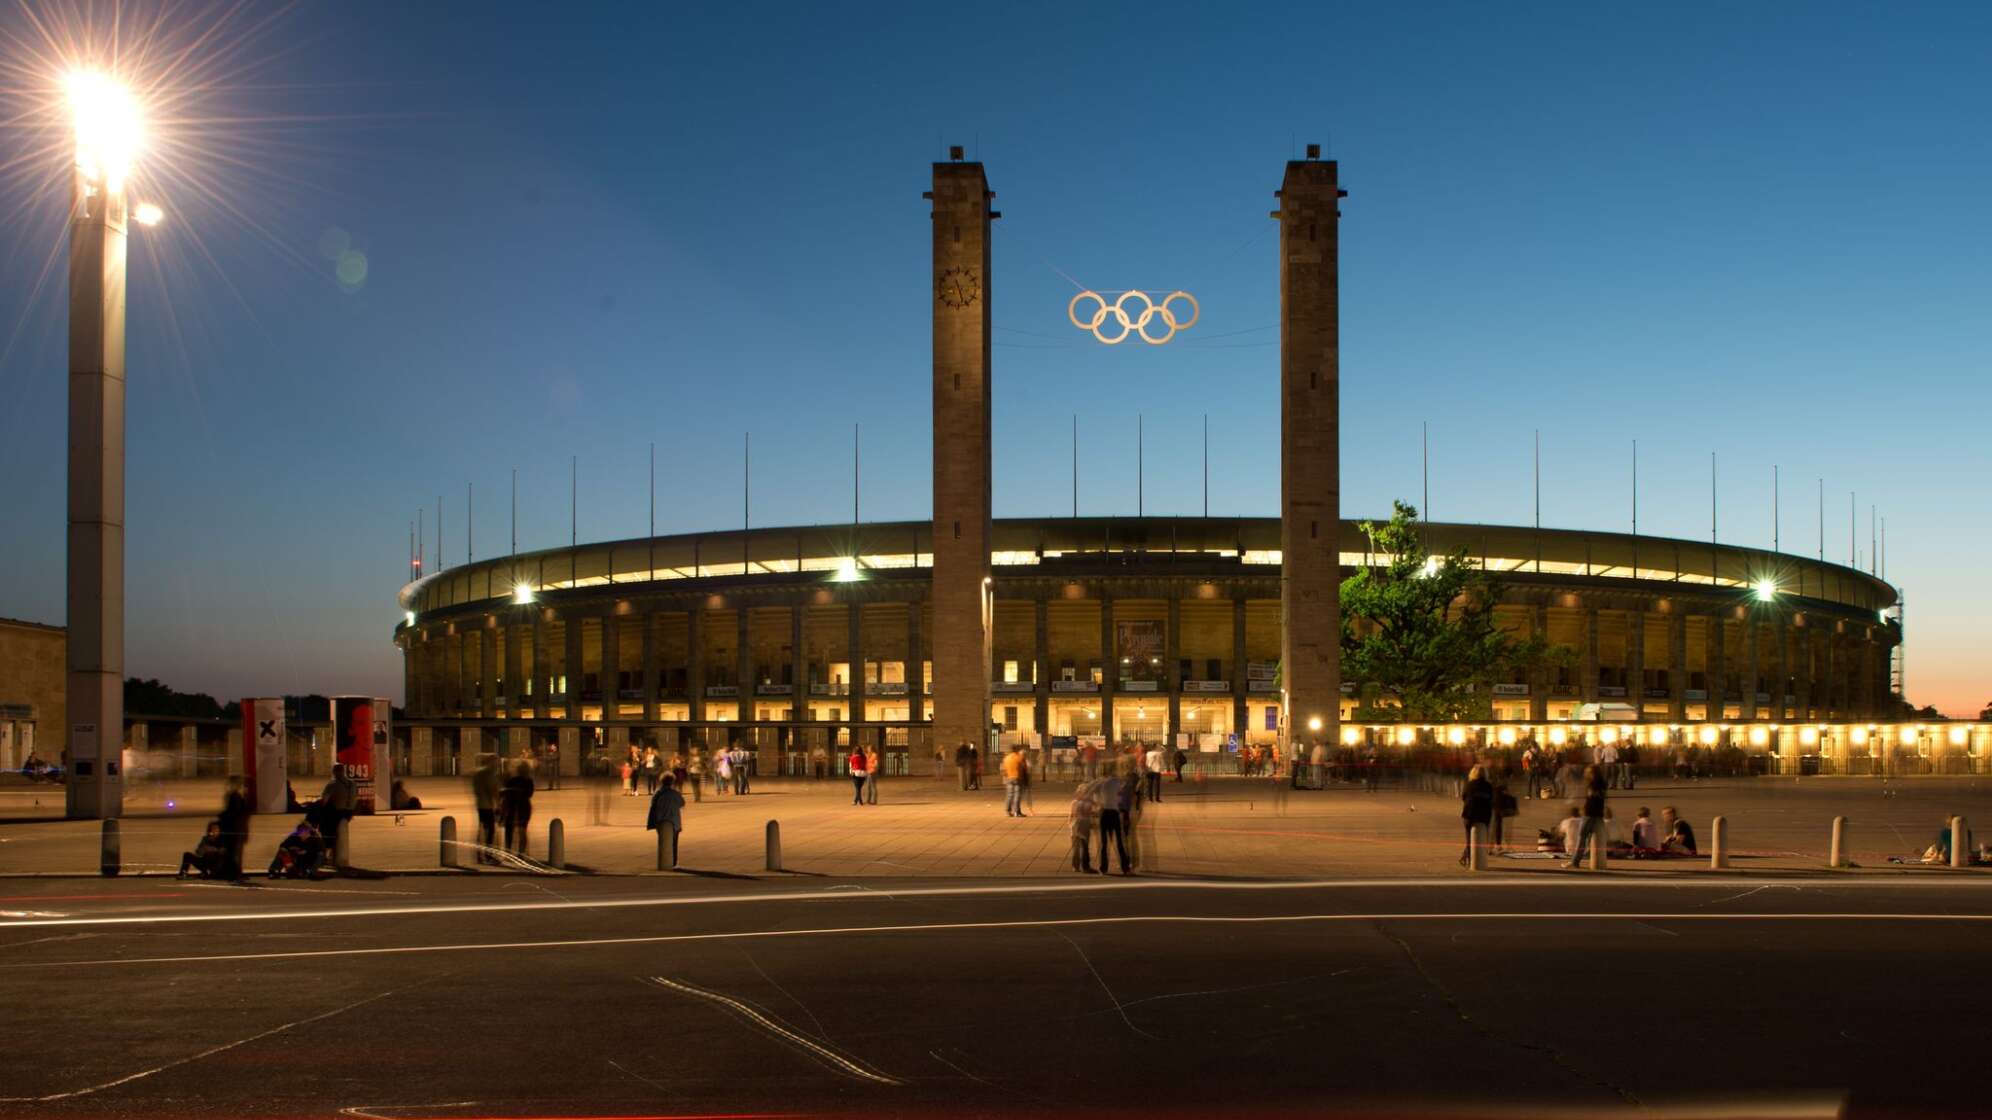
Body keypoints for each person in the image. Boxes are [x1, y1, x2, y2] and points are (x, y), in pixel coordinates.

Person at [312, 764, 357, 867]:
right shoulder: (352, 784)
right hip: (348, 813)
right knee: (337, 834)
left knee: (325, 830)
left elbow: (324, 801)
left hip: (335, 813)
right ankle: (333, 854)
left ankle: (325, 854)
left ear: (335, 772)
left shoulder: (333, 784)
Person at [1566, 766, 1608, 869]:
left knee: (1581, 838)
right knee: (1594, 838)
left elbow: (1591, 798)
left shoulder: (1592, 784)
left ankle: (1575, 861)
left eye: (1587, 772)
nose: (1586, 774)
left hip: (1589, 813)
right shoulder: (1603, 783)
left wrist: (1583, 809)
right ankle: (1594, 860)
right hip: (1598, 813)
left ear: (1592, 774)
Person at [1093, 770, 1131, 875]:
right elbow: (1123, 791)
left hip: (1104, 813)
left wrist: (1099, 802)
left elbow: (1093, 792)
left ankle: (1103, 867)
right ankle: (1125, 867)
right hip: (1114, 813)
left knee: (1104, 843)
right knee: (1119, 842)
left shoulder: (1100, 782)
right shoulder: (1117, 781)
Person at [646, 773, 686, 867]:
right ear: (672, 782)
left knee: (663, 841)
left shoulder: (657, 793)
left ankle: (665, 862)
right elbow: (682, 803)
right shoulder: (675, 793)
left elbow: (653, 805)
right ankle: (673, 862)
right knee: (674, 843)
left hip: (660, 820)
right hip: (674, 820)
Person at [217, 775, 252, 880]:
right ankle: (235, 873)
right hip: (235, 829)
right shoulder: (234, 796)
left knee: (234, 852)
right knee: (235, 852)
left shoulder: (233, 796)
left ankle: (235, 872)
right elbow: (238, 813)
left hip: (235, 829)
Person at [1459, 765, 1494, 866]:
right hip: (1484, 815)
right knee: (1482, 837)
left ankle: (1469, 858)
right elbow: (1492, 800)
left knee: (1469, 838)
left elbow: (1463, 797)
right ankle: (1472, 856)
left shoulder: (1469, 785)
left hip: (1469, 814)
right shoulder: (1488, 786)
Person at [500, 758, 535, 858]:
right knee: (522, 830)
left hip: (512, 806)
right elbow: (529, 794)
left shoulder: (512, 780)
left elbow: (506, 796)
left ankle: (508, 852)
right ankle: (521, 853)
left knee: (509, 830)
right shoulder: (529, 781)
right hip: (524, 807)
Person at [471, 753, 502, 865]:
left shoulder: (477, 773)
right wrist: (498, 804)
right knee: (490, 831)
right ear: (491, 762)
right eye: (496, 762)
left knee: (481, 830)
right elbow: (493, 790)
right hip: (488, 805)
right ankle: (488, 855)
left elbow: (475, 788)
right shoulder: (489, 773)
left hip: (480, 804)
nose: (498, 764)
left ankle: (479, 855)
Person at [1067, 785, 1097, 873]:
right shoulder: (1088, 803)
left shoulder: (1074, 802)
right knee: (1084, 847)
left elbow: (1071, 815)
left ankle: (1075, 866)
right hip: (1084, 825)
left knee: (1076, 847)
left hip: (1075, 826)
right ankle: (1085, 866)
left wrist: (1070, 825)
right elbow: (1095, 810)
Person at [1001, 744, 1027, 817]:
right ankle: (1017, 811)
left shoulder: (1006, 758)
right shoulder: (1019, 757)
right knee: (1017, 795)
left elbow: (1004, 770)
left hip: (1009, 778)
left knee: (1009, 795)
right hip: (1017, 778)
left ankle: (1008, 811)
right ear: (1016, 750)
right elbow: (1024, 768)